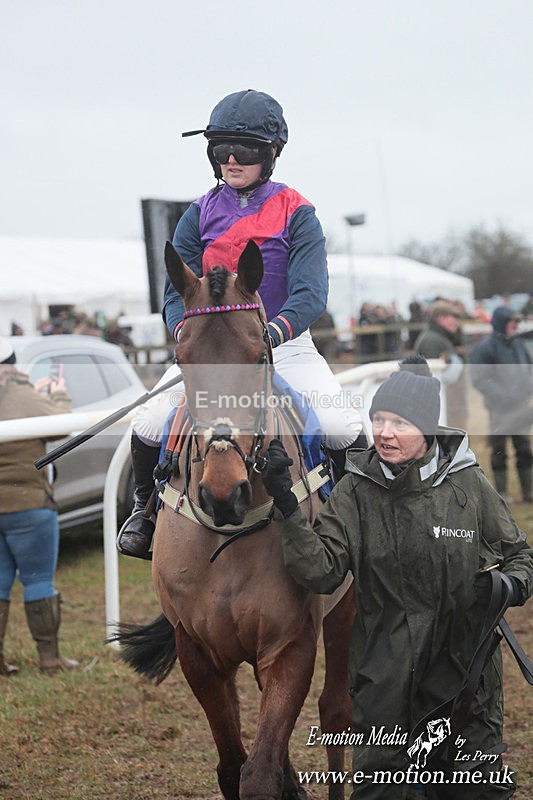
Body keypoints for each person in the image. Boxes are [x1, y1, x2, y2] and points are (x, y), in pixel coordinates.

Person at [261, 355, 533, 799]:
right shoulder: (355, 490)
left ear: (426, 429)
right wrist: (287, 508)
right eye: (378, 419)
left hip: (465, 676)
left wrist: (509, 584)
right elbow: (322, 571)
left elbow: (521, 555)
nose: (385, 432)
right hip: (384, 678)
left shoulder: (467, 485)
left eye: (399, 422)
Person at [118, 88, 364, 560]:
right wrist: (183, 331)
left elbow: (311, 293)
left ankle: (357, 518)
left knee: (340, 423)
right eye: (219, 150)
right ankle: (145, 509)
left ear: (272, 153)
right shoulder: (197, 213)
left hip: (282, 345)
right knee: (149, 421)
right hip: (212, 349)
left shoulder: (299, 212)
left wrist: (272, 333)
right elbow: (177, 290)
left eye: (245, 150)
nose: (231, 160)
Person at [0, 338, 79, 676]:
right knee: (38, 581)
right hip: (30, 505)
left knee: (0, 582)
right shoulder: (22, 392)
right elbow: (62, 423)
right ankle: (50, 659)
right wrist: (58, 393)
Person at [470, 305, 533, 504]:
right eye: (511, 321)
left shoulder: (519, 344)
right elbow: (480, 378)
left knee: (524, 448)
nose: (515, 324)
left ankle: (528, 491)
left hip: (521, 407)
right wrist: (505, 397)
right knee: (499, 451)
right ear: (501, 323)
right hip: (499, 410)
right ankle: (502, 494)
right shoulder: (485, 348)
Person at [414, 300, 467, 429]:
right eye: (453, 318)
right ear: (441, 318)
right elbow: (431, 378)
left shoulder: (439, 338)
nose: (456, 322)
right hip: (442, 409)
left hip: (449, 406)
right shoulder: (432, 341)